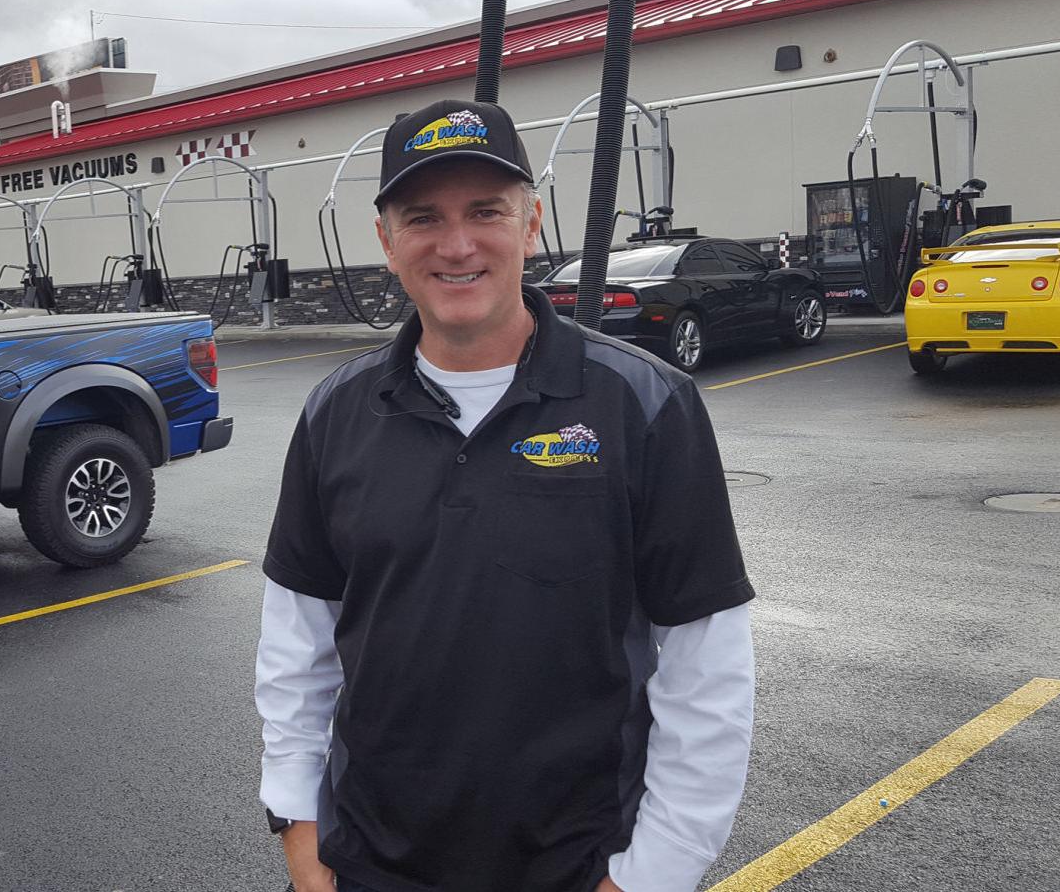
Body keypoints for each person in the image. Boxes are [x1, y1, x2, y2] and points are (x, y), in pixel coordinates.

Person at [255, 99, 756, 892]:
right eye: (424, 217)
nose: (458, 244)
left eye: (486, 211)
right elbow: (299, 637)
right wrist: (298, 821)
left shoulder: (645, 404)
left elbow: (706, 659)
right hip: (366, 864)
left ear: (530, 224)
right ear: (387, 242)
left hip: (578, 866)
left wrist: (657, 872)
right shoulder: (335, 412)